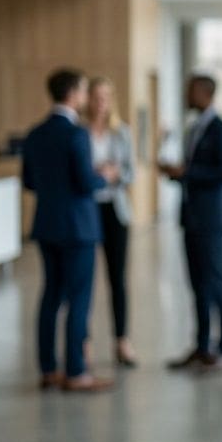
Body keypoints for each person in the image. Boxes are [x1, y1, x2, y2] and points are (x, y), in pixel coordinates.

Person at [22, 68, 115, 392]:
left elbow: (29, 182)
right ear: (74, 93)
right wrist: (106, 175)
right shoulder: (77, 134)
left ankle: (49, 369)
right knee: (79, 300)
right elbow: (86, 183)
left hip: (47, 225)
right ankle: (76, 372)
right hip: (78, 229)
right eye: (84, 90)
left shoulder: (34, 134)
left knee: (50, 297)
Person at [159, 74, 222, 372]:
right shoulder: (193, 128)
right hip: (190, 216)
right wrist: (177, 174)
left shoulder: (221, 129)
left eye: (190, 90)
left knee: (216, 282)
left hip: (211, 218)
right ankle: (202, 347)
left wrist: (185, 172)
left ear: (205, 93)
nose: (185, 95)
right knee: (197, 284)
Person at [84, 77, 138, 367]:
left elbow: (132, 173)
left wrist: (115, 174)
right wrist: (94, 173)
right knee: (85, 281)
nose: (100, 102)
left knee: (117, 279)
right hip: (87, 209)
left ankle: (122, 341)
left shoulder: (122, 133)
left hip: (115, 211)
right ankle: (85, 344)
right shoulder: (79, 132)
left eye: (105, 96)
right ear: (88, 99)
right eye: (95, 96)